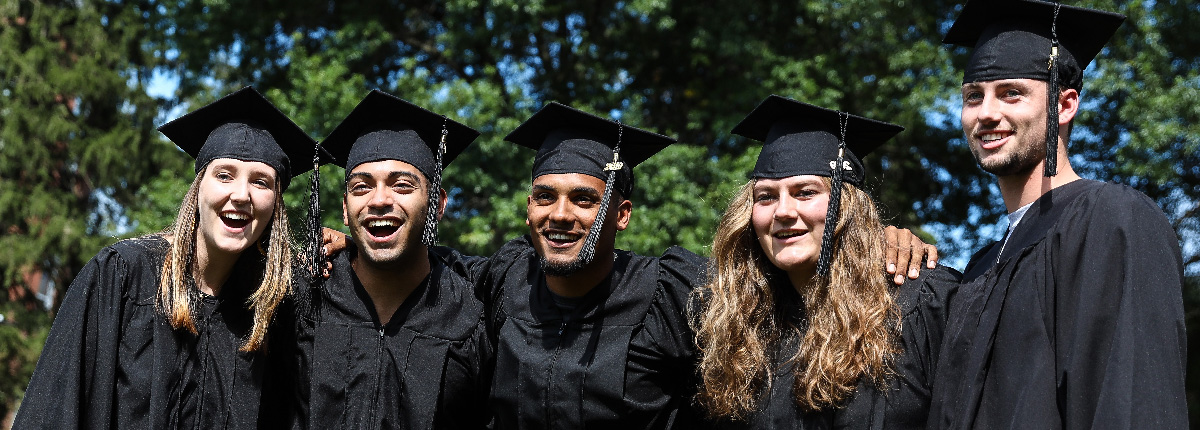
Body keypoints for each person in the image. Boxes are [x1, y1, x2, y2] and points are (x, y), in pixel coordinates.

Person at [927, 1, 1188, 428]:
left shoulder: (1112, 219)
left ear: (1065, 106)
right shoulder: (981, 265)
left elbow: (1133, 401)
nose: (987, 112)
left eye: (1011, 93)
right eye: (974, 96)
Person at [14, 87, 318, 429]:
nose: (241, 194)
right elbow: (52, 411)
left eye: (261, 182)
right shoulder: (123, 276)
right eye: (224, 175)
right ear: (199, 186)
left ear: (275, 205)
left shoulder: (273, 312)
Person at [692, 95, 959, 429]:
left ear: (847, 208)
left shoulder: (920, 302)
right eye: (766, 197)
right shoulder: (736, 327)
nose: (784, 211)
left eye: (805, 192)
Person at [281, 90, 490, 429]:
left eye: (402, 185)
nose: (379, 200)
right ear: (345, 210)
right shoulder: (302, 302)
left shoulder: (472, 314)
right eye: (361, 187)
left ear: (436, 205)